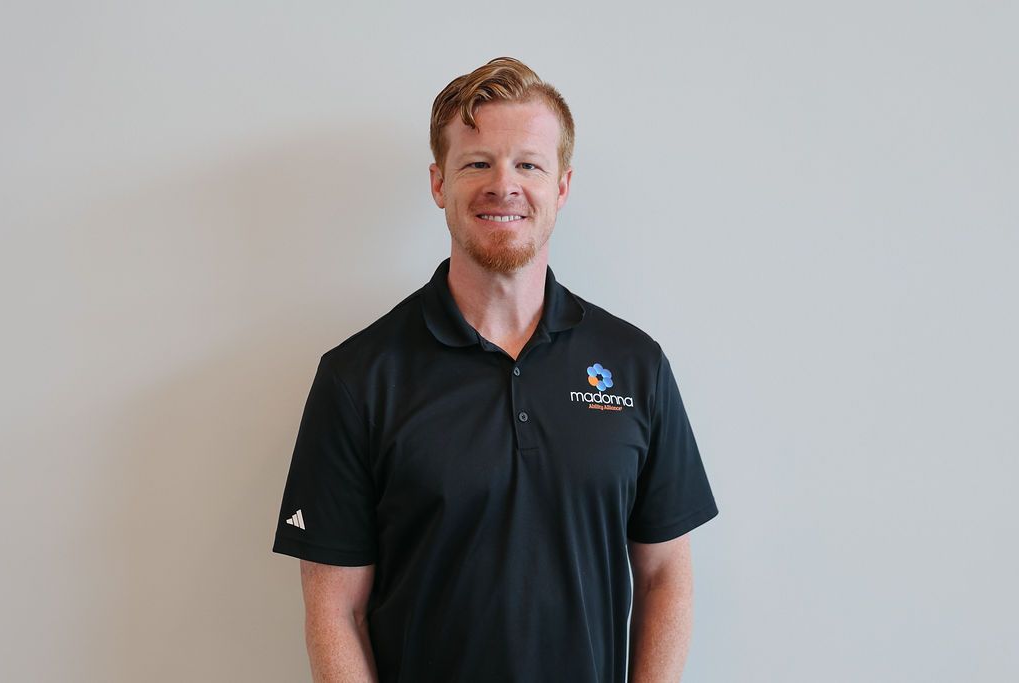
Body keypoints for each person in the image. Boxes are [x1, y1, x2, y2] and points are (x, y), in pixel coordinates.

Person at [272, 56, 719, 683]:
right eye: (477, 163)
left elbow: (665, 576)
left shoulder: (635, 365)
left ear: (562, 187)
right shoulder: (358, 378)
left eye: (528, 165)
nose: (503, 185)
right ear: (439, 184)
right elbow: (334, 612)